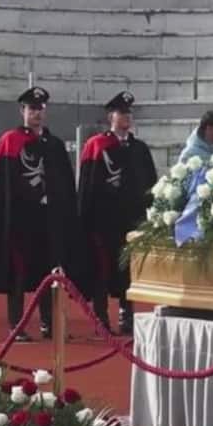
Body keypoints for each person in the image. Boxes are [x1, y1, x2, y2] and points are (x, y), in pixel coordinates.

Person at [0, 86, 87, 341]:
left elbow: (64, 186)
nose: (36, 114)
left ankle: (48, 324)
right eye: (31, 109)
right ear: (22, 111)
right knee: (17, 273)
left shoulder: (55, 145)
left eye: (40, 109)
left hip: (49, 223)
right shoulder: (10, 141)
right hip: (20, 221)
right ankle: (16, 325)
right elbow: (2, 186)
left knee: (50, 273)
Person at [77, 91, 158, 336]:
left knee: (128, 270)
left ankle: (126, 315)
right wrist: (85, 219)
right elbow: (87, 186)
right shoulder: (96, 145)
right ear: (111, 116)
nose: (127, 117)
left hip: (131, 219)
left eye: (129, 113)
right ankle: (100, 316)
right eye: (122, 113)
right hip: (103, 220)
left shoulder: (139, 148)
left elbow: (150, 183)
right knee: (102, 268)